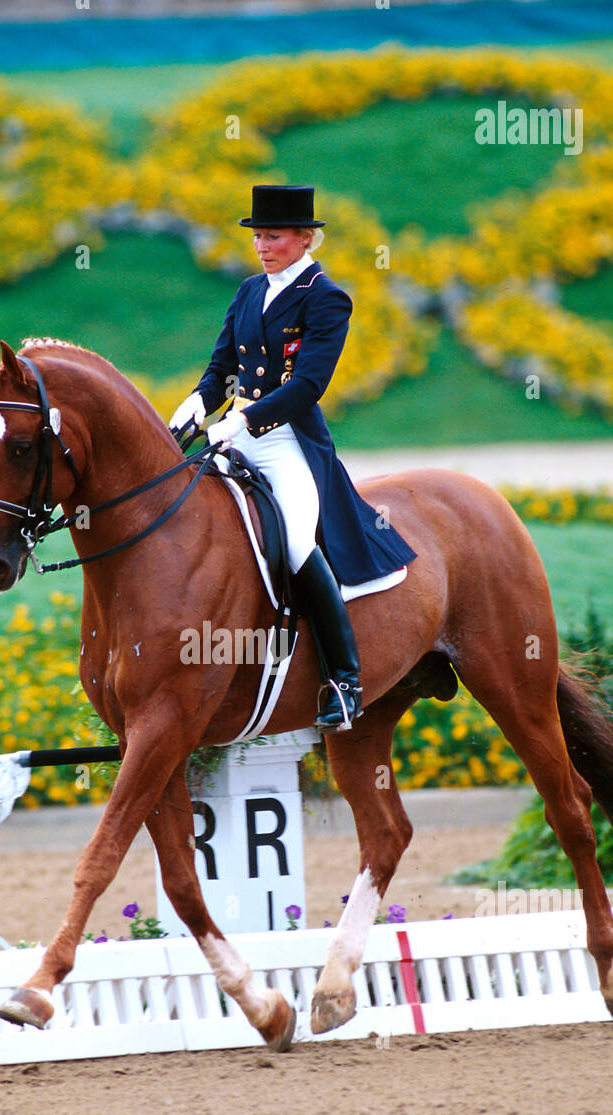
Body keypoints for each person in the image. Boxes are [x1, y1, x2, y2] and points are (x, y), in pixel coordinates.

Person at [169, 184, 416, 730]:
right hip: (232, 433)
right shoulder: (249, 291)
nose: (262, 245)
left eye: (273, 236)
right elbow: (222, 371)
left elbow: (307, 385)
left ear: (305, 238)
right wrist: (194, 407)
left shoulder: (325, 297)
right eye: (258, 235)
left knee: (299, 543)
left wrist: (243, 420)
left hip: (286, 443)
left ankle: (344, 680)